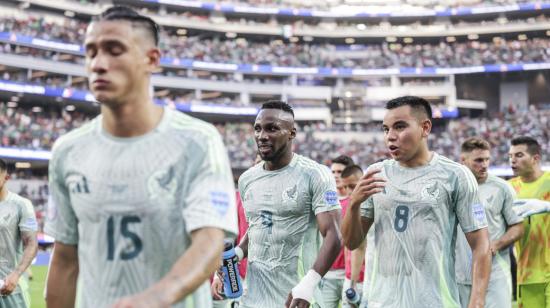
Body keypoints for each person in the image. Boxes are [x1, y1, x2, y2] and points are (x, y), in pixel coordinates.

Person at [44, 6, 237, 308]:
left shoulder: (198, 140)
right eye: (91, 52)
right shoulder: (68, 151)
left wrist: (158, 297)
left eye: (114, 50)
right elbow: (65, 261)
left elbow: (210, 243)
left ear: (152, 59)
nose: (98, 63)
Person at [341, 96, 491, 308]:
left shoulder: (455, 175)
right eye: (386, 129)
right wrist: (354, 204)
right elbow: (351, 242)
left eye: (400, 127)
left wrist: (477, 300)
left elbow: (481, 244)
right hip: (382, 302)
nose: (390, 137)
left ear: (425, 128)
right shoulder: (376, 173)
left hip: (436, 302)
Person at [233, 100, 341, 308]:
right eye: (258, 129)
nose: (262, 136)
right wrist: (238, 253)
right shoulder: (247, 179)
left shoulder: (315, 175)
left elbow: (334, 235)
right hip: (252, 299)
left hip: (296, 299)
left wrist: (309, 284)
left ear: (292, 133)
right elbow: (260, 226)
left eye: (272, 128)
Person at [455, 138, 524, 308]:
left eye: (487, 159)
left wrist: (496, 245)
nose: (484, 164)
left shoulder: (502, 188)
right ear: (463, 160)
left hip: (495, 275)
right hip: (459, 274)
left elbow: (518, 226)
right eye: (478, 160)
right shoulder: (451, 189)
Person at [507, 136, 550, 308]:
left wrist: (547, 206)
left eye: (519, 155)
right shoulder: (508, 189)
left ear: (535, 158)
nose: (513, 160)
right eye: (510, 156)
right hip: (527, 274)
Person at [0, 158, 38, 308]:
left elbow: (32, 244)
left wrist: (16, 274)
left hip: (10, 289)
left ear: (6, 177)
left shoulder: (21, 205)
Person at [320, 155, 355, 308]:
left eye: (340, 172)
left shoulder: (357, 201)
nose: (335, 175)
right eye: (333, 172)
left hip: (351, 274)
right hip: (328, 273)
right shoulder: (324, 201)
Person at [339, 165, 367, 308]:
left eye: (353, 186)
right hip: (350, 278)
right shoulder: (350, 207)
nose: (350, 191)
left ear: (363, 180)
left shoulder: (370, 207)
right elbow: (348, 246)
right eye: (347, 187)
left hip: (366, 280)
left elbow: (359, 247)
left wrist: (353, 283)